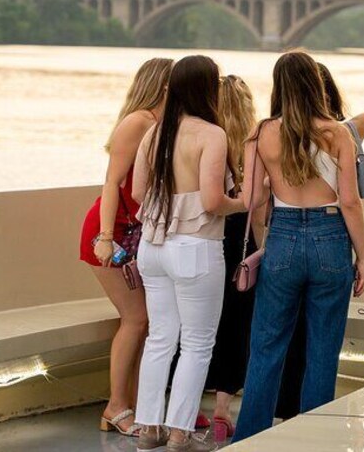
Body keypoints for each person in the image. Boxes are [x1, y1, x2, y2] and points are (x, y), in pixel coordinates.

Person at [231, 50, 364, 442]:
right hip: (330, 239)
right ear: (314, 82)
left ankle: (249, 440)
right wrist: (363, 258)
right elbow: (350, 202)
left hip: (284, 239)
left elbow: (251, 201)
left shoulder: (260, 134)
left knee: (267, 346)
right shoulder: (337, 133)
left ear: (279, 85)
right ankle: (314, 441)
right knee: (322, 350)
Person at [274, 48, 364, 420]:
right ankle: (312, 421)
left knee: (280, 337)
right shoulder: (345, 133)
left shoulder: (272, 133)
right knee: (323, 340)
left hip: (283, 242)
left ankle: (279, 412)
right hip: (329, 242)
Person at [132, 56, 246, 452]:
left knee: (160, 339)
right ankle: (180, 433)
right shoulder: (211, 134)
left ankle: (149, 428)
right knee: (197, 344)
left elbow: (136, 193)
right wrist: (245, 200)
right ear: (207, 88)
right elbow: (214, 201)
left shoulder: (155, 133)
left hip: (153, 247)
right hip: (195, 248)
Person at [79, 57, 173, 437]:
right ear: (165, 86)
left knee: (146, 322)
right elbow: (111, 182)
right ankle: (116, 406)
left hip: (135, 237)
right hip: (111, 234)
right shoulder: (138, 122)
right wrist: (105, 238)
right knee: (135, 320)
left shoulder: (162, 124)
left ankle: (127, 406)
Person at [204, 75, 263, 442]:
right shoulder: (254, 146)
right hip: (240, 248)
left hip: (203, 242)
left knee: (195, 327)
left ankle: (188, 408)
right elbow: (259, 210)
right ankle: (223, 412)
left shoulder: (205, 141)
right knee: (235, 326)